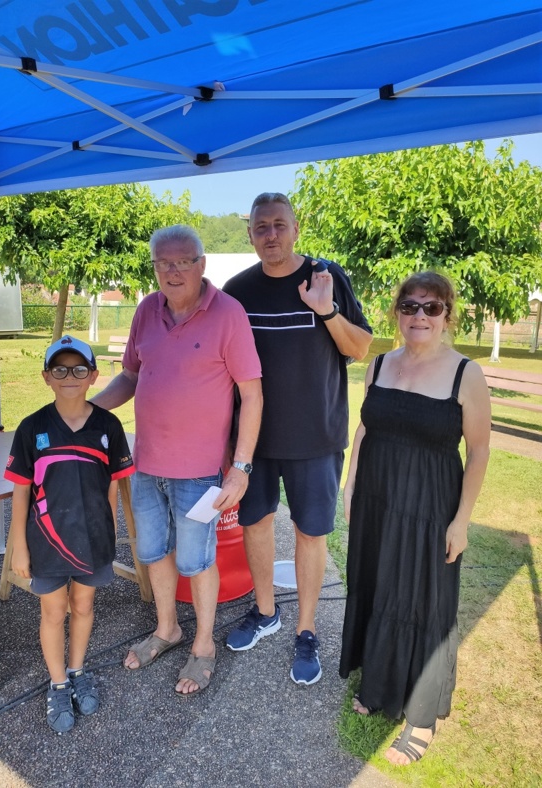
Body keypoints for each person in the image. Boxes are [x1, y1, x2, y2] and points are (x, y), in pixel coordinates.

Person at [91, 225, 262, 697]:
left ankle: (204, 646)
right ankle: (167, 629)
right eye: (163, 262)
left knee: (197, 559)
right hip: (147, 464)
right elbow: (130, 377)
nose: (173, 270)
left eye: (183, 261)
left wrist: (241, 467)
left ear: (201, 264)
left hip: (202, 472)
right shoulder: (147, 309)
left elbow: (252, 394)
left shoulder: (228, 314)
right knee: (152, 552)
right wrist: (87, 413)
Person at [339, 271, 491, 765]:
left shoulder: (465, 374)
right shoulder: (380, 365)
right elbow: (365, 429)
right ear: (397, 313)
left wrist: (461, 521)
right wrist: (350, 485)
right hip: (378, 500)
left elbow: (480, 450)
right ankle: (378, 685)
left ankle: (422, 716)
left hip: (431, 507)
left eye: (431, 307)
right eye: (409, 306)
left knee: (426, 600)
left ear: (447, 315)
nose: (419, 316)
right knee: (379, 586)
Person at [223, 192, 372, 685]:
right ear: (250, 234)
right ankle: (266, 612)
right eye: (261, 227)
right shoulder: (237, 291)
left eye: (279, 225)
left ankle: (306, 629)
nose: (271, 235)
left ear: (296, 228)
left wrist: (325, 311)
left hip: (316, 437)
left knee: (311, 532)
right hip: (255, 441)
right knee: (256, 523)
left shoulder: (327, 276)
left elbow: (361, 347)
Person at [5, 335, 135, 733]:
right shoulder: (32, 428)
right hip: (46, 542)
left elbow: (112, 486)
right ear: (46, 377)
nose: (69, 377)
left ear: (93, 376)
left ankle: (77, 670)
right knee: (52, 611)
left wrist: (111, 531)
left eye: (79, 369)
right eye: (59, 370)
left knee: (83, 605)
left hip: (93, 540)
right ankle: (58, 682)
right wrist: (19, 547)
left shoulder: (108, 426)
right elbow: (21, 492)